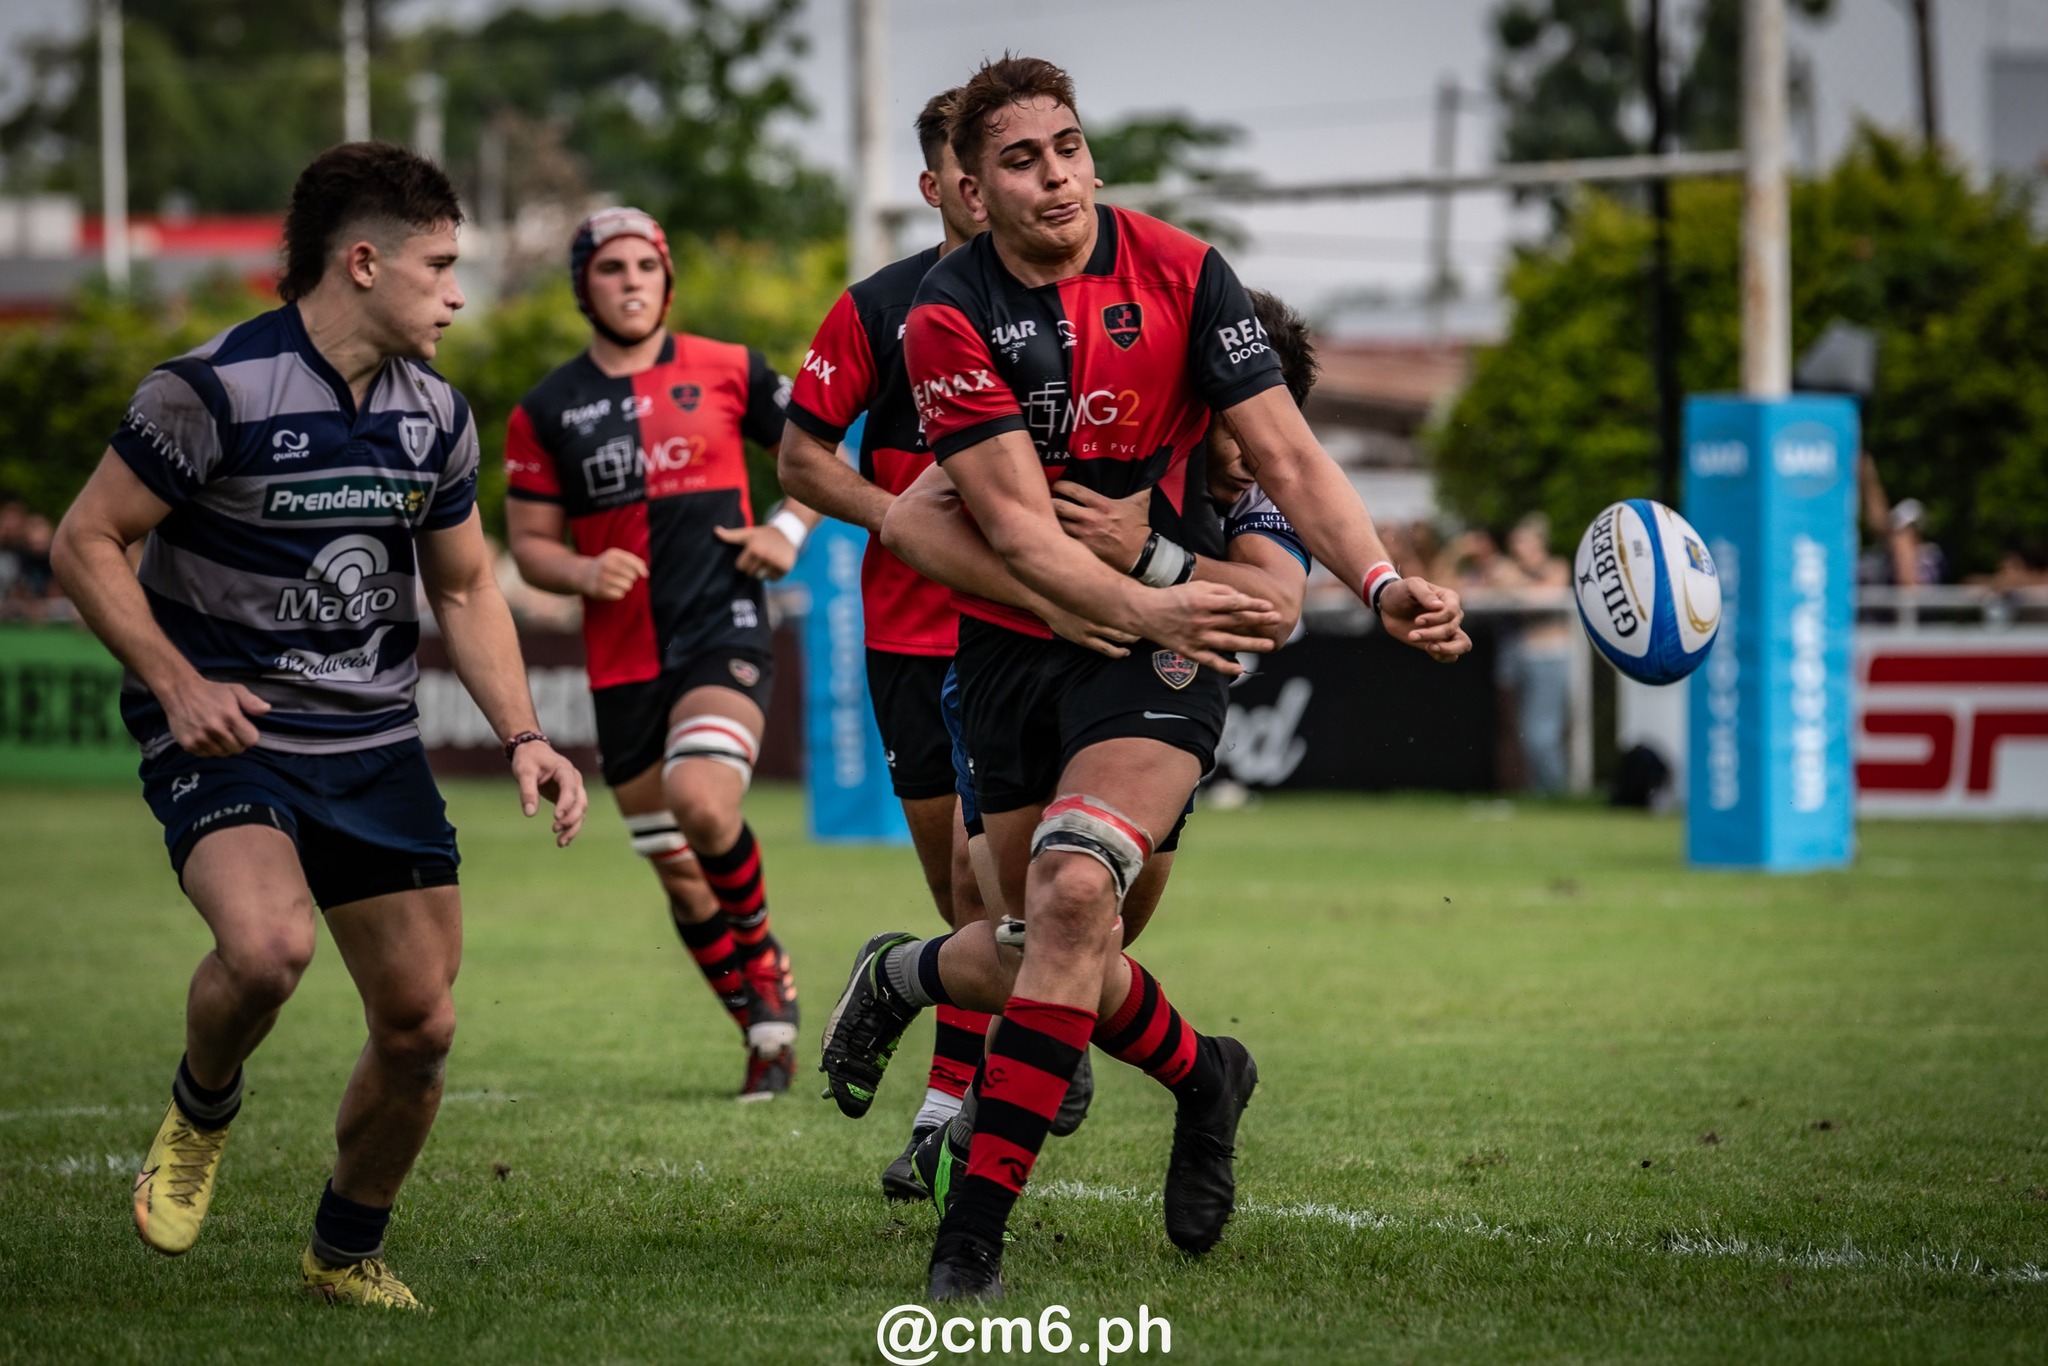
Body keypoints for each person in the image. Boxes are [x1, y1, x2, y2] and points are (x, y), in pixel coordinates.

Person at [818, 56, 1470, 1300]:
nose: (1053, 174)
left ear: (1091, 154)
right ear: (968, 188)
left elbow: (1287, 466)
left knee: (1071, 895)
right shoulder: (944, 315)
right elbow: (1016, 538)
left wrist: (1381, 584)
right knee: (1038, 945)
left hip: (1158, 661)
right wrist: (1148, 592)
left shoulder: (1184, 272)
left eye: (1066, 146)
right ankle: (1191, 1069)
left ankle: (969, 1248)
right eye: (1019, 159)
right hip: (1017, 641)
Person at [50, 142, 588, 1310]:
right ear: (361, 263)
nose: (458, 295)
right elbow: (85, 541)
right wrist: (178, 683)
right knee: (267, 948)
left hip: (370, 743)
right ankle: (202, 1107)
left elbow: (462, 588)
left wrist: (524, 736)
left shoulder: (435, 414)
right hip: (227, 730)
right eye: (441, 268)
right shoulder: (209, 391)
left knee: (420, 1022)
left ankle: (343, 1249)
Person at [871, 287, 1322, 1213]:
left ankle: (905, 984)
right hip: (1010, 679)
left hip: (1148, 696)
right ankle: (1190, 1081)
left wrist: (1149, 559)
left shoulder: (1266, 479)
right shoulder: (1086, 417)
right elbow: (906, 515)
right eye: (1242, 431)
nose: (1254, 461)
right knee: (1043, 935)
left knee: (1075, 935)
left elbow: (1274, 604)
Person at [504, 207, 814, 1099]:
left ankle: (767, 966)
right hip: (622, 661)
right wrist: (578, 566)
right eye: (611, 268)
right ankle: (765, 1034)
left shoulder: (732, 369)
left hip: (723, 627)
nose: (632, 280)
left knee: (702, 801)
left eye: (647, 265)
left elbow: (820, 455)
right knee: (681, 877)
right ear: (583, 287)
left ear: (668, 278)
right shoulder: (545, 410)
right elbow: (530, 547)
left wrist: (788, 528)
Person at [778, 88, 1008, 1192]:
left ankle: (944, 1113)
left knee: (1003, 892)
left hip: (1030, 632)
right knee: (961, 900)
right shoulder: (876, 307)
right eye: (968, 171)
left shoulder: (1070, 300)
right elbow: (800, 458)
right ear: (936, 186)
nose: (991, 185)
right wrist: (896, 517)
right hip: (912, 634)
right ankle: (976, 1036)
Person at [1492, 512, 1572, 795]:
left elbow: (1544, 596)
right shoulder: (1511, 570)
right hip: (1524, 657)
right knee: (1526, 731)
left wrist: (1519, 588)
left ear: (1539, 542)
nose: (1517, 550)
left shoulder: (1558, 566)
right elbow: (1506, 588)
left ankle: (1556, 792)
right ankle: (1539, 791)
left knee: (1543, 733)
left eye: (1523, 542)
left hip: (1551, 657)